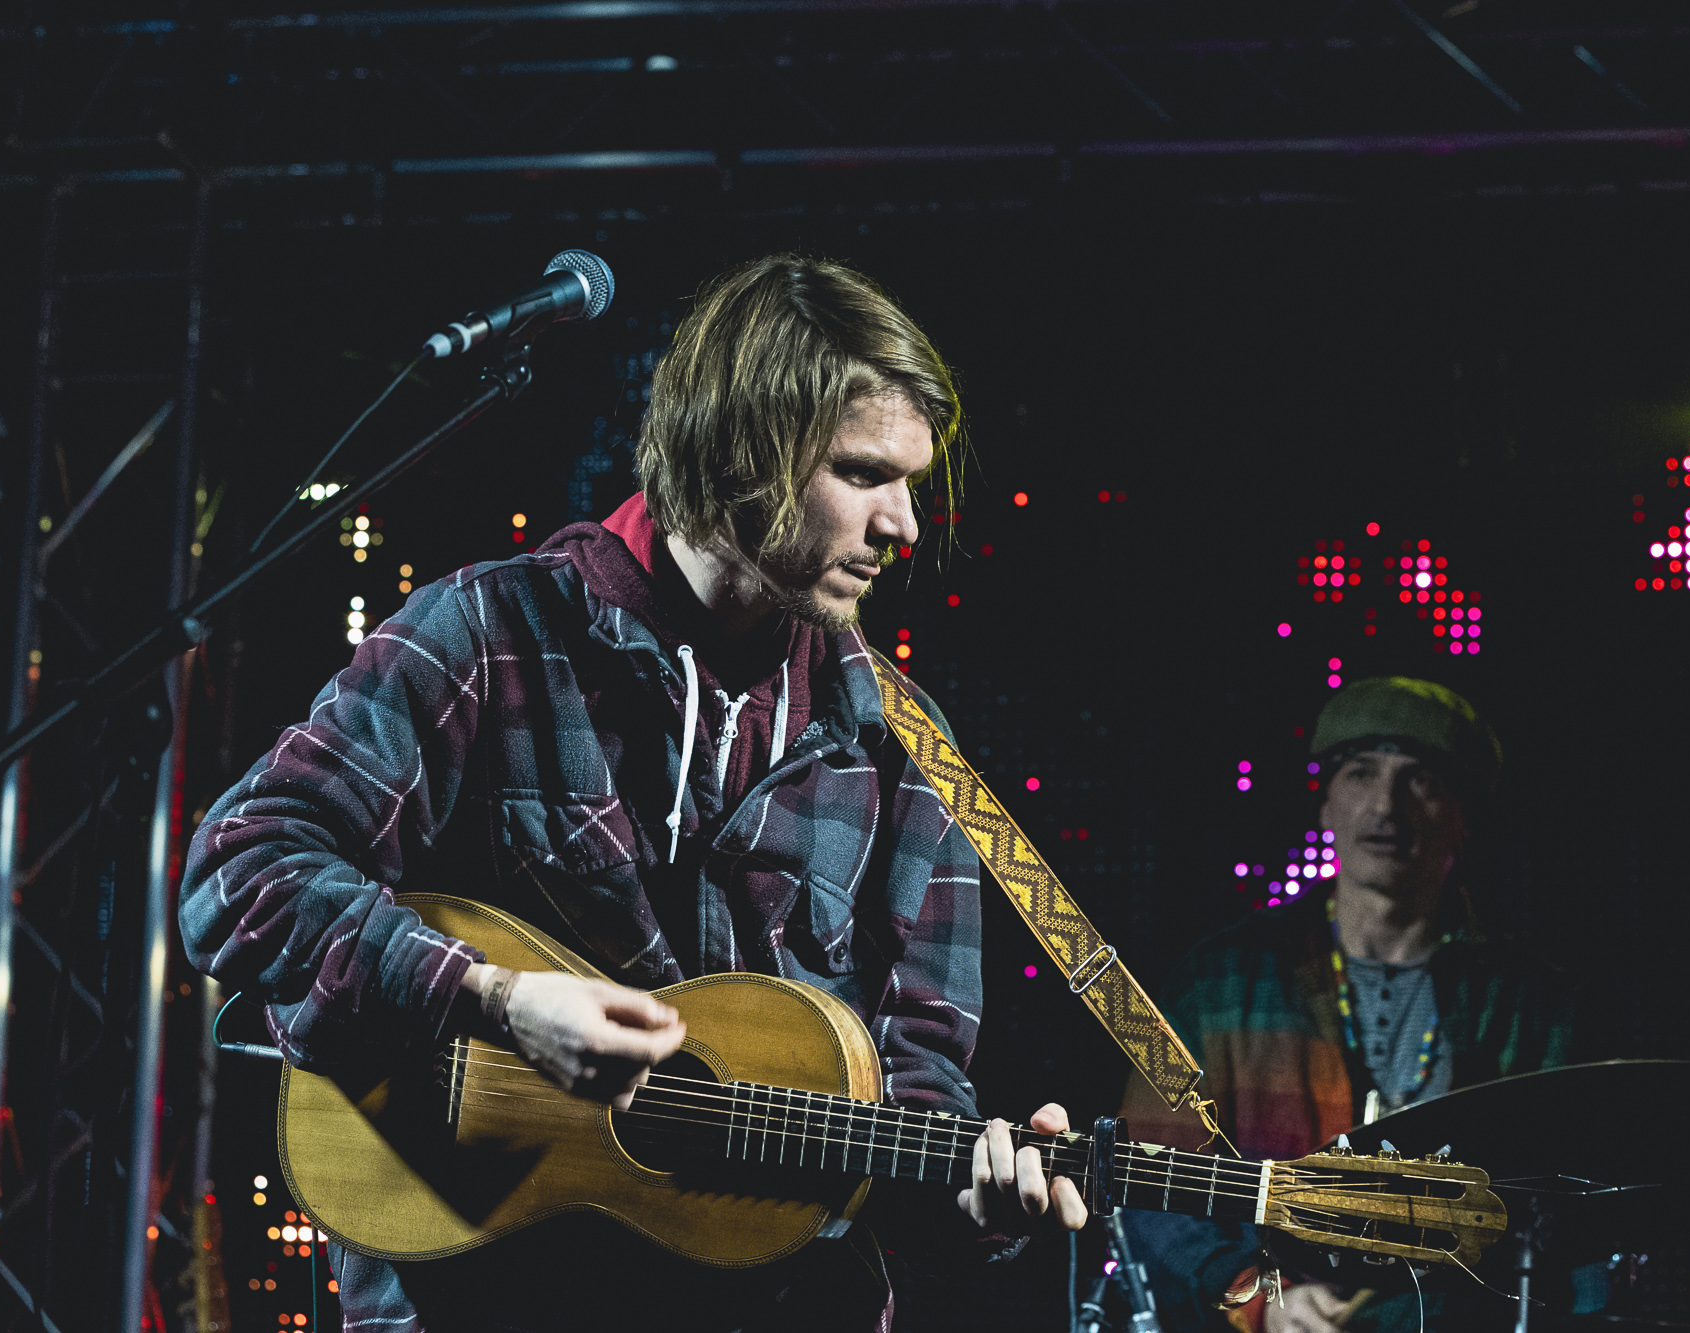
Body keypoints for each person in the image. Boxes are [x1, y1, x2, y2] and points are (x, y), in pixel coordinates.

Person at [179, 255, 1085, 1331]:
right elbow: (238, 872)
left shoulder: (909, 753)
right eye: (861, 473)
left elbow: (913, 1095)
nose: (904, 525)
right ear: (741, 448)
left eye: (910, 484)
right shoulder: (488, 636)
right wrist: (492, 1000)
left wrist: (977, 1197)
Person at [1115, 677, 1578, 1332]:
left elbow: (1572, 1202)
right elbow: (1146, 1180)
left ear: (1463, 815)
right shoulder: (1219, 980)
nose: (1386, 805)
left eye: (1421, 780)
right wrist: (1257, 1296)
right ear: (1326, 804)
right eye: (1361, 773)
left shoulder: (1530, 1001)